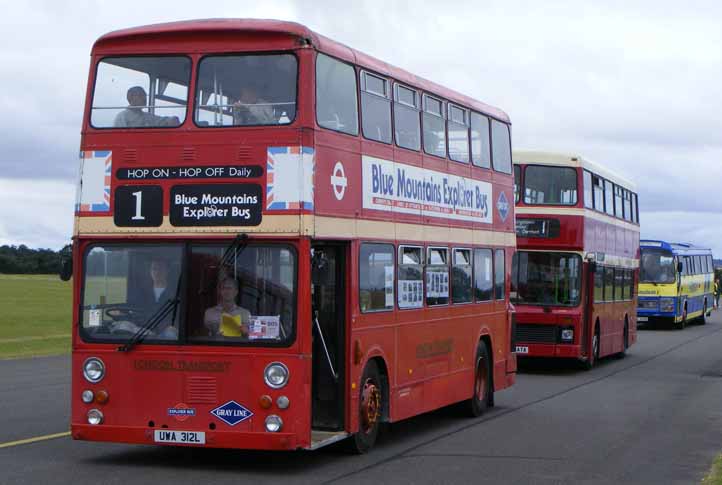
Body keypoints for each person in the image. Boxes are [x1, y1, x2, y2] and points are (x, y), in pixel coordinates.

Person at [113, 86, 180, 128]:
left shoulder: (147, 116)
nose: (144, 98)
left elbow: (162, 121)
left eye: (145, 96)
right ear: (130, 98)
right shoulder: (122, 117)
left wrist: (172, 119)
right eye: (140, 95)